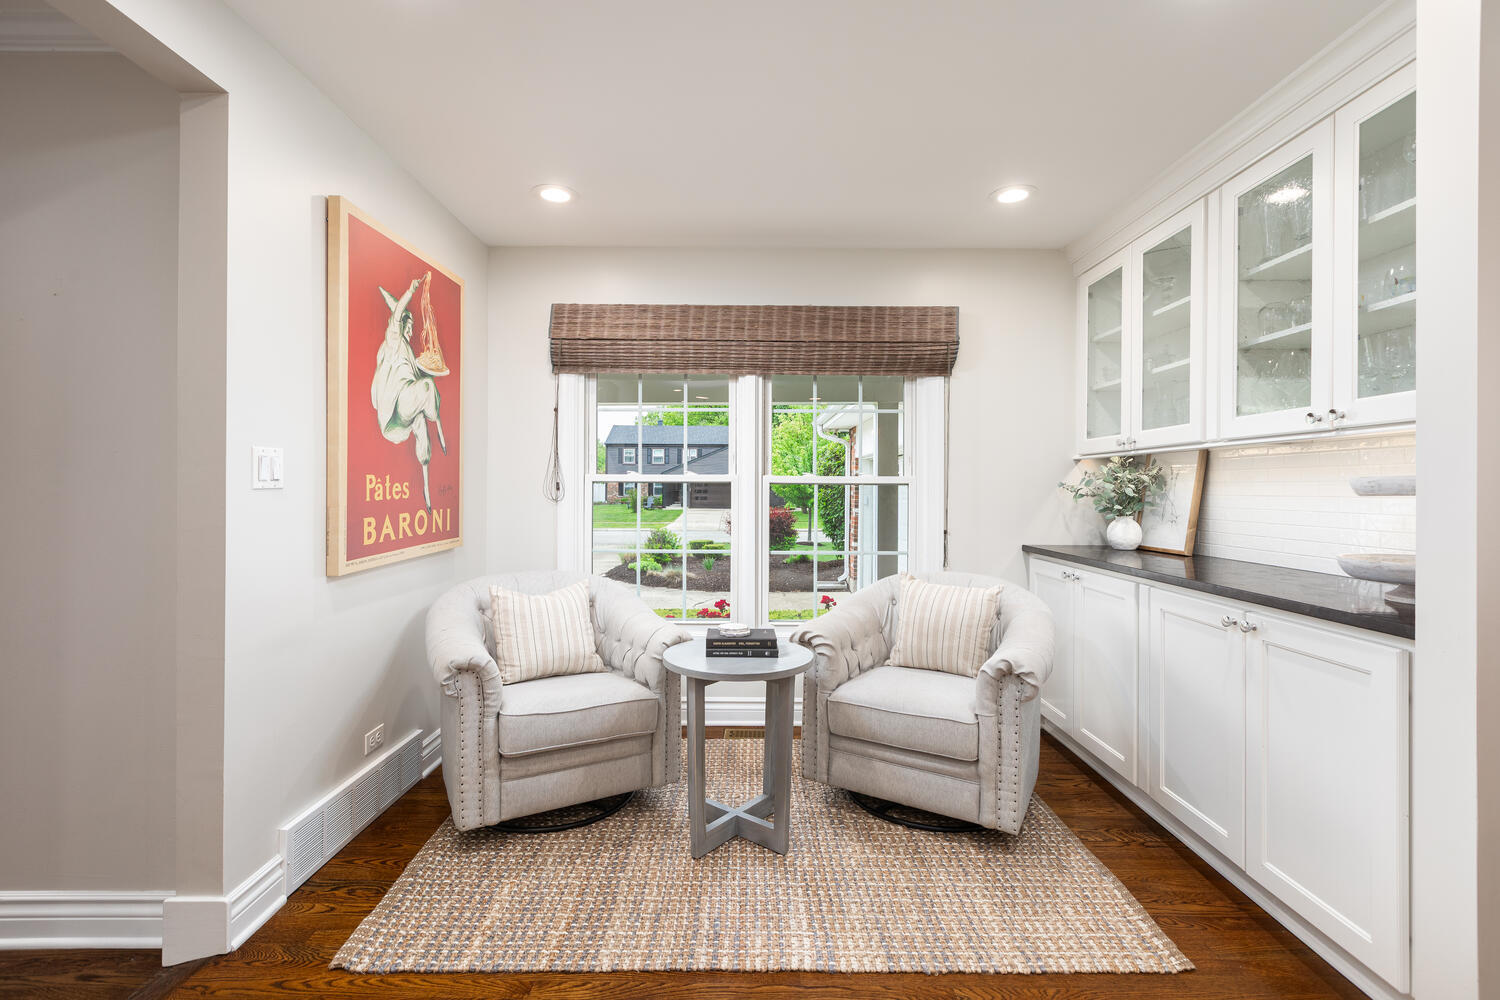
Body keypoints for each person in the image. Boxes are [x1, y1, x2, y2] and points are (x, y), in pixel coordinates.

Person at [371, 273, 447, 509]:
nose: (412, 331)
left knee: (422, 425)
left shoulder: (408, 354)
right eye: (410, 326)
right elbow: (397, 313)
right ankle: (440, 426)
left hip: (406, 409)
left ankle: (426, 488)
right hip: (397, 406)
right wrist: (411, 291)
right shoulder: (393, 341)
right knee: (426, 387)